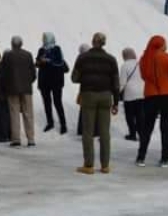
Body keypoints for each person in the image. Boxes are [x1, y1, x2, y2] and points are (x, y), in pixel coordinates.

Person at [71, 32, 120, 174]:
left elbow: (74, 78)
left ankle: (89, 165)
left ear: (93, 42)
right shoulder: (111, 59)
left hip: (88, 95)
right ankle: (105, 165)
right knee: (105, 132)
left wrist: (86, 77)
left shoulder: (83, 58)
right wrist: (116, 102)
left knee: (88, 131)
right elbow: (116, 83)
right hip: (106, 96)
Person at [136, 35, 168, 167]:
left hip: (150, 95)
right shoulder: (166, 57)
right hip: (167, 95)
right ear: (161, 45)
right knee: (165, 127)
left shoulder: (144, 58)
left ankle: (141, 157)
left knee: (147, 127)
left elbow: (143, 76)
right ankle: (164, 158)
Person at [0, 36, 37, 148]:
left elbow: (2, 74)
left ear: (12, 44)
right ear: (21, 44)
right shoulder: (28, 55)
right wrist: (28, 82)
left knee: (14, 114)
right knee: (28, 114)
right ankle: (31, 139)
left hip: (12, 89)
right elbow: (33, 74)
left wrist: (3, 87)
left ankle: (16, 139)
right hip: (27, 89)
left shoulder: (7, 56)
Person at [36, 33, 69, 133]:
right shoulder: (41, 50)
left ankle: (63, 124)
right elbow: (37, 62)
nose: (43, 39)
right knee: (47, 103)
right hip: (44, 81)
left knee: (57, 102)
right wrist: (39, 62)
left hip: (56, 81)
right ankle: (50, 122)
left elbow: (59, 62)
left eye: (45, 38)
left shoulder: (57, 49)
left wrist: (48, 61)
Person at [118, 48, 144, 141]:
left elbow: (122, 82)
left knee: (130, 115)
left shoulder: (125, 66)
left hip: (129, 94)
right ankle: (142, 134)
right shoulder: (140, 63)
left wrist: (118, 93)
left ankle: (132, 134)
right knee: (140, 115)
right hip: (141, 93)